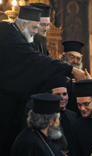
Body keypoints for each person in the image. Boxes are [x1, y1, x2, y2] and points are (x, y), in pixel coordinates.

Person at [0, 6, 84, 155]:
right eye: (35, 27)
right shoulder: (7, 33)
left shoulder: (24, 37)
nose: (36, 31)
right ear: (23, 24)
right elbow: (36, 60)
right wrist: (71, 70)